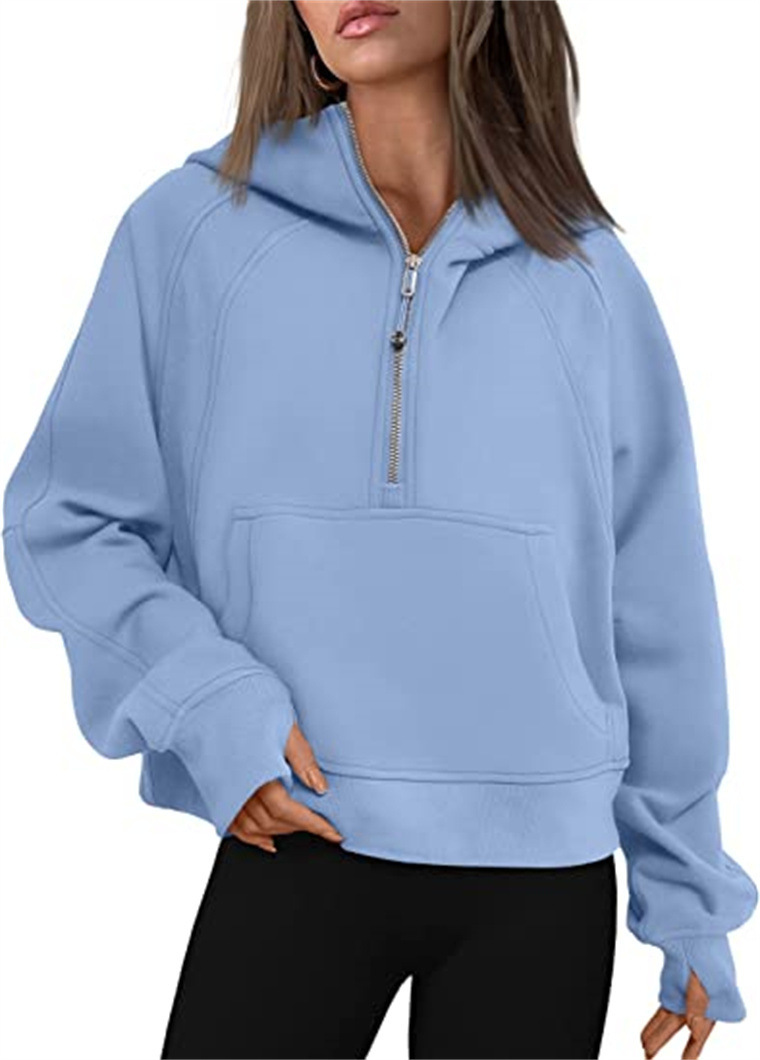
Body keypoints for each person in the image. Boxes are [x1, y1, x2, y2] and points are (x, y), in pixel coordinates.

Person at [2, 2, 756, 1058]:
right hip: (302, 828)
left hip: (542, 873)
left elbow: (658, 600)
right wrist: (208, 700)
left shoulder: (586, 276)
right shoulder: (193, 230)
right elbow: (65, 519)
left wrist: (687, 895)